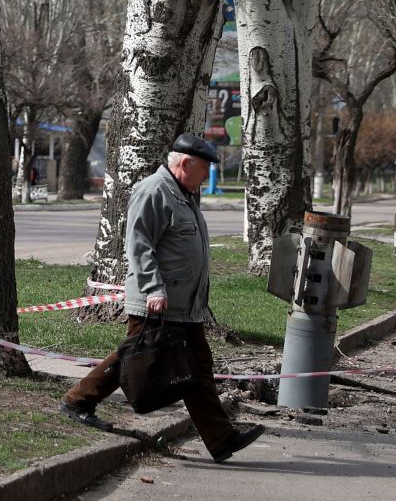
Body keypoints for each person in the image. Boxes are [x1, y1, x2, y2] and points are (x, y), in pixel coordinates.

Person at [59, 133, 266, 463]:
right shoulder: (155, 190)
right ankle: (77, 400)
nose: (206, 176)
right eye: (204, 169)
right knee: (135, 357)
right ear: (185, 164)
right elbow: (139, 245)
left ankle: (221, 438)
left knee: (197, 367)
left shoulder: (182, 194)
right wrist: (154, 287)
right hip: (158, 301)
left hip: (184, 306)